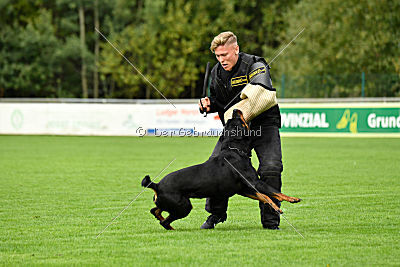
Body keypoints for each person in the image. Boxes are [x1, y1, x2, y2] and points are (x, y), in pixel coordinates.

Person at [198, 31, 283, 230]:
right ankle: (216, 214)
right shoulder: (216, 73)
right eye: (217, 56)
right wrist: (209, 104)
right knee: (215, 166)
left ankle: (271, 221)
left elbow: (262, 90)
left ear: (236, 49)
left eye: (225, 55)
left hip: (263, 125)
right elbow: (220, 102)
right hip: (235, 130)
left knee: (271, 167)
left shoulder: (255, 64)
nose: (221, 60)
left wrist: (236, 108)